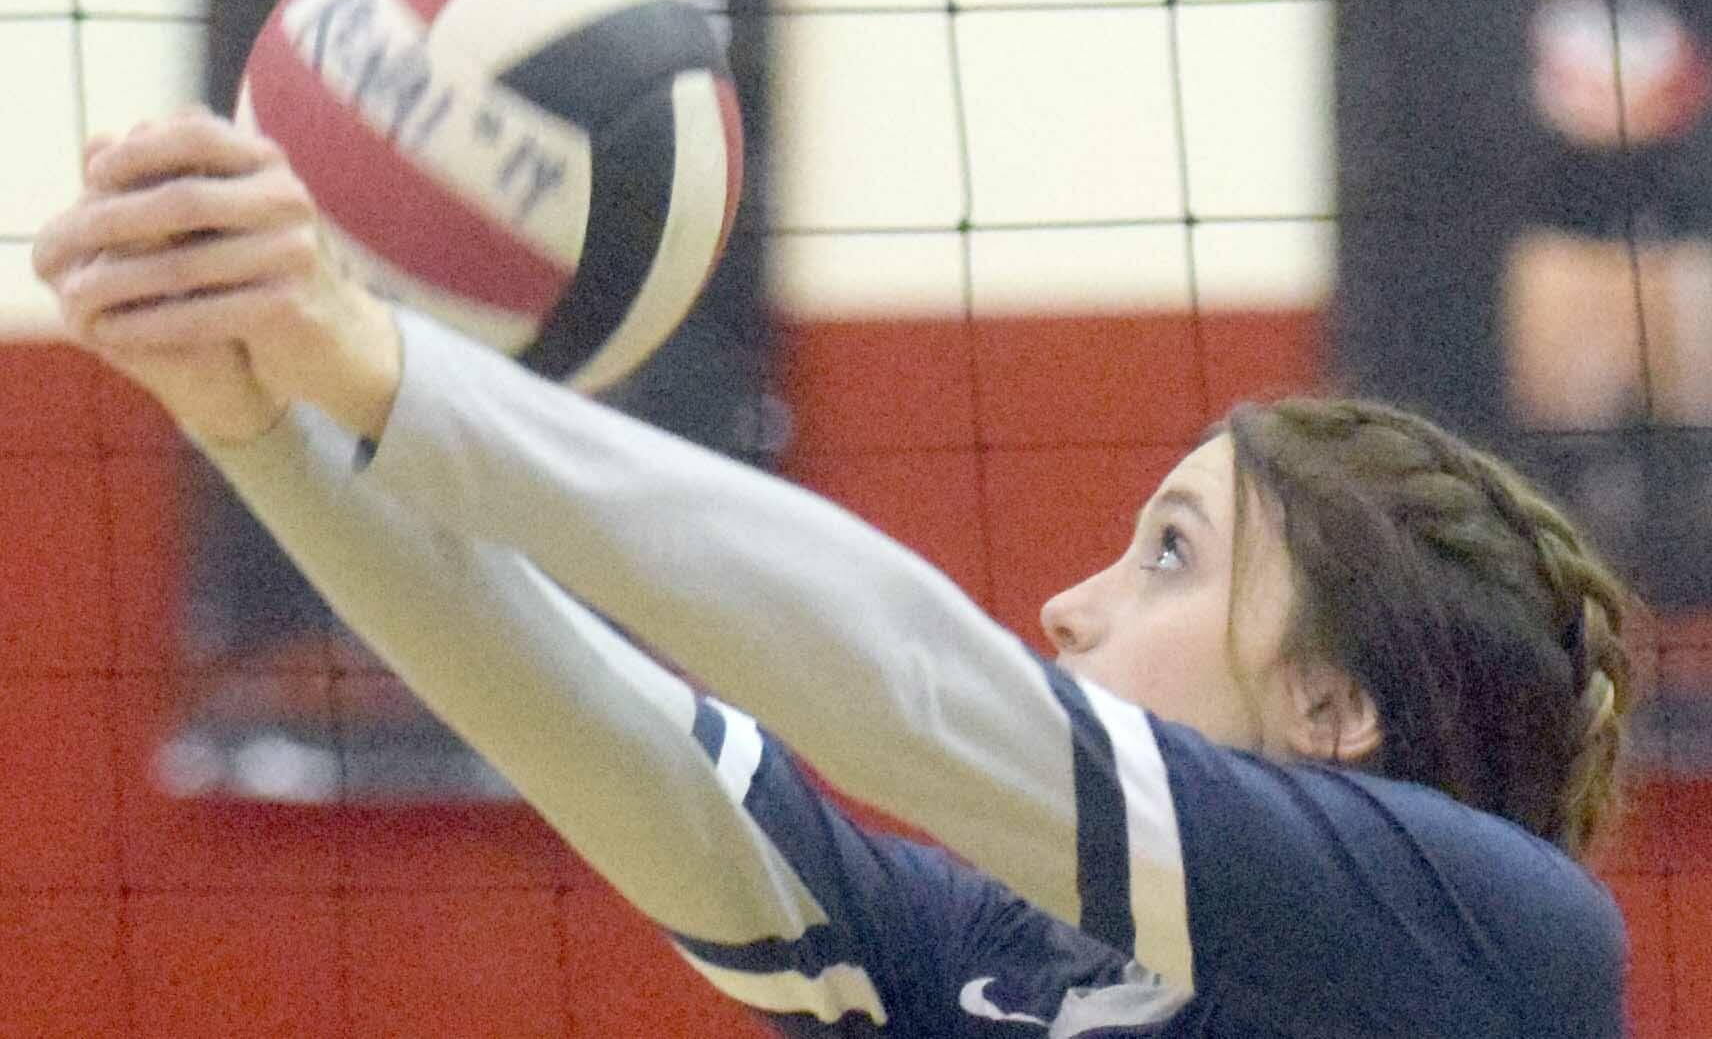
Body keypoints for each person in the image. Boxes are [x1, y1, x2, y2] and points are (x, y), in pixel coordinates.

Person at [34, 111, 1633, 1037]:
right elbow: (627, 748)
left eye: (1171, 553)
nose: (1069, 606)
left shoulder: (1504, 953)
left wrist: (386, 362)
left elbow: (916, 691)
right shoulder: (1010, 968)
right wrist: (255, 421)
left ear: (1334, 700)